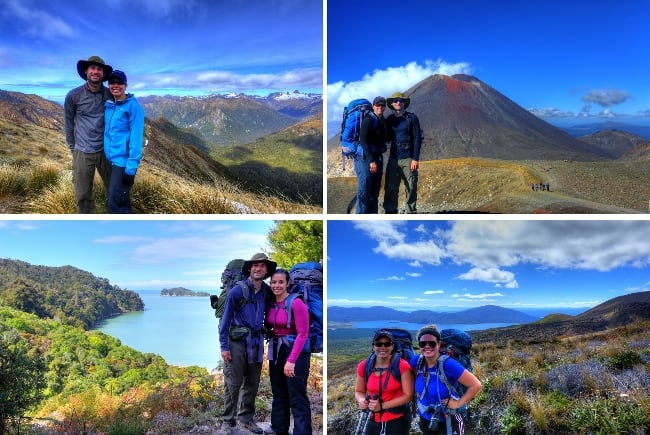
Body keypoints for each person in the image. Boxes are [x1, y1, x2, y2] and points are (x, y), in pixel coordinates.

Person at [219, 253, 277, 434]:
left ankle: (246, 418)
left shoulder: (266, 291)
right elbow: (225, 320)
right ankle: (228, 421)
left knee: (252, 382)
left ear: (267, 270)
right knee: (233, 382)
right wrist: (224, 346)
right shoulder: (238, 290)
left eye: (262, 266)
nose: (258, 268)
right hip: (236, 342)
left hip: (257, 342)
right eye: (255, 265)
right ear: (250, 268)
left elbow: (269, 314)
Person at [410, 325, 482, 435]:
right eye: (423, 343)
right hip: (426, 418)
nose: (427, 346)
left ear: (438, 344)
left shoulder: (448, 364)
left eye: (432, 343)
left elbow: (476, 385)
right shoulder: (417, 361)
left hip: (449, 420)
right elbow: (410, 377)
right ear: (419, 345)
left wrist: (458, 404)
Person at [64, 55, 113, 213]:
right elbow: (69, 123)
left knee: (114, 188)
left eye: (99, 69)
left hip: (106, 151)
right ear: (86, 71)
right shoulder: (73, 96)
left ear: (103, 74)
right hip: (82, 152)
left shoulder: (109, 94)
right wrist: (74, 149)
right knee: (83, 195)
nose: (96, 71)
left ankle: (117, 214)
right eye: (92, 68)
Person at [266, 269, 312, 435]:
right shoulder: (272, 303)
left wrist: (291, 360)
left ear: (288, 284)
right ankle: (279, 429)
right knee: (278, 391)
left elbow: (303, 333)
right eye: (273, 282)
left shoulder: (296, 303)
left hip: (296, 352)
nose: (276, 285)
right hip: (277, 349)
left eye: (280, 282)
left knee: (297, 395)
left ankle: (302, 432)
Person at [355, 330, 414, 434]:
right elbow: (359, 391)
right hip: (372, 418)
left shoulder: (402, 365)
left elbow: (408, 395)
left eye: (387, 344)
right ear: (373, 346)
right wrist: (361, 400)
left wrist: (382, 406)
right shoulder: (364, 366)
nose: (383, 347)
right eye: (379, 344)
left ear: (392, 347)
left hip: (398, 420)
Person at [104, 70, 144, 213]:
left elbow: (136, 139)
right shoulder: (110, 105)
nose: (115, 85)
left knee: (116, 206)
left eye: (119, 82)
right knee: (119, 199)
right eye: (112, 82)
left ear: (125, 85)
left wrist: (131, 169)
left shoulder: (133, 106)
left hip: (123, 164)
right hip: (112, 161)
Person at [383, 91, 423, 214]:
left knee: (411, 186)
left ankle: (411, 211)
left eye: (400, 101)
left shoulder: (412, 118)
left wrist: (415, 158)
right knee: (390, 187)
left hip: (408, 158)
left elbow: (417, 139)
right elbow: (387, 137)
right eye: (395, 101)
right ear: (392, 104)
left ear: (404, 103)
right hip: (393, 158)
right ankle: (390, 211)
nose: (398, 102)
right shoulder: (389, 120)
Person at [355, 96, 388, 214]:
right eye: (378, 105)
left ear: (385, 107)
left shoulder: (382, 120)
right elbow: (363, 140)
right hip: (365, 159)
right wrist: (371, 161)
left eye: (382, 105)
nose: (380, 107)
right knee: (364, 192)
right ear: (373, 106)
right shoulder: (368, 119)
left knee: (375, 192)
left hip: (377, 157)